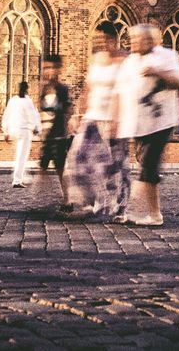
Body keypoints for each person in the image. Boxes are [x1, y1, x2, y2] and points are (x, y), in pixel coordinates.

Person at [117, 23, 179, 227]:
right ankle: (151, 213)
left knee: (149, 162)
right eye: (132, 38)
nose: (133, 42)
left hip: (162, 121)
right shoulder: (129, 62)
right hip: (139, 123)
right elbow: (122, 92)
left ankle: (140, 212)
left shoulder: (166, 56)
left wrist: (157, 72)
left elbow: (178, 81)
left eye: (138, 38)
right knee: (147, 166)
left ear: (150, 40)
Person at [65, 29, 130, 219]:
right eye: (96, 39)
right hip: (93, 117)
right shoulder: (97, 61)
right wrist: (78, 114)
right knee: (77, 159)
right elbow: (88, 88)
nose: (99, 42)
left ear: (112, 39)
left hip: (114, 118)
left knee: (116, 166)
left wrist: (116, 119)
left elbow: (123, 91)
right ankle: (93, 201)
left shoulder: (123, 61)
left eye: (102, 39)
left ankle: (120, 208)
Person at [35, 54, 73, 208]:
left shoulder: (62, 89)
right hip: (47, 135)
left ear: (57, 70)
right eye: (45, 68)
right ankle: (43, 200)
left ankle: (67, 200)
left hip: (58, 135)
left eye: (51, 68)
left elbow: (68, 109)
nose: (48, 71)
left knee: (60, 169)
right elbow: (42, 110)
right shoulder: (43, 88)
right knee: (42, 167)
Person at [1, 81, 39, 187]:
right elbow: (32, 115)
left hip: (14, 130)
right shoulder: (27, 101)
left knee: (19, 155)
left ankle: (24, 176)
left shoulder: (13, 100)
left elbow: (6, 115)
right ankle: (17, 180)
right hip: (24, 131)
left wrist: (6, 131)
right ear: (27, 89)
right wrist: (36, 128)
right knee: (21, 156)